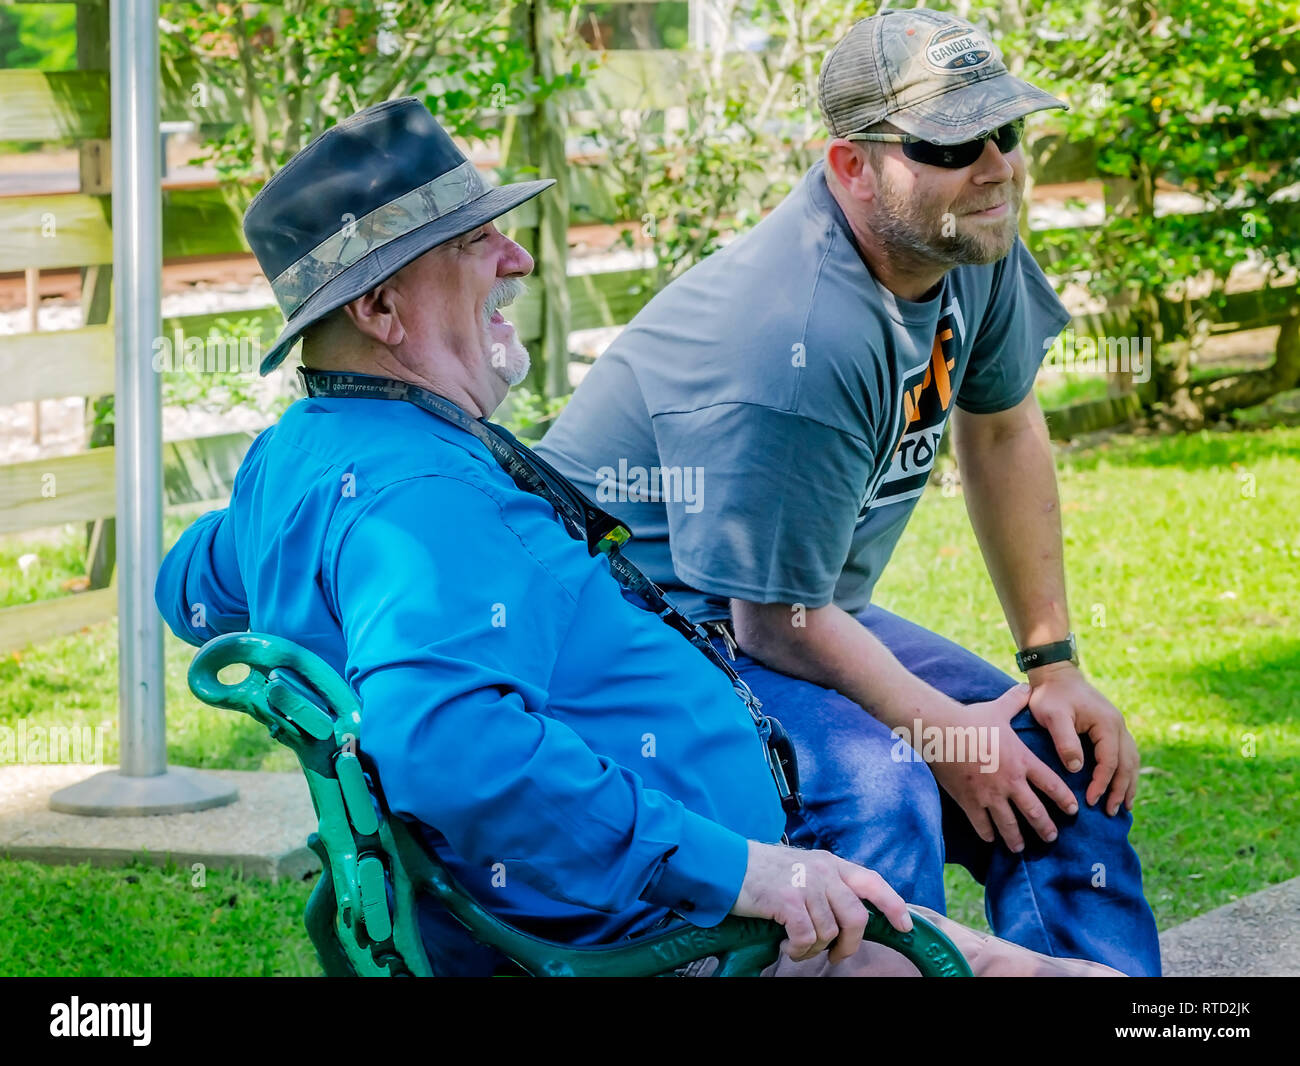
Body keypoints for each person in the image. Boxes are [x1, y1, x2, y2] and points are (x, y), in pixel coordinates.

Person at [155, 98, 1117, 977]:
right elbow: (448, 747)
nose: (519, 259)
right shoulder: (425, 498)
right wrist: (746, 874)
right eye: (477, 242)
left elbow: (187, 590)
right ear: (378, 310)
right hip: (665, 937)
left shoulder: (308, 455)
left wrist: (277, 526)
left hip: (629, 903)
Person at [535, 10, 1161, 975]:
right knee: (882, 783)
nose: (996, 166)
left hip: (779, 604)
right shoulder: (797, 336)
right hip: (640, 630)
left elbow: (1000, 426)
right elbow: (772, 623)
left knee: (1058, 761)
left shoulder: (966, 237)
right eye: (950, 143)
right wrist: (939, 730)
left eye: (1009, 132)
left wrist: (1054, 664)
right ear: (851, 165)